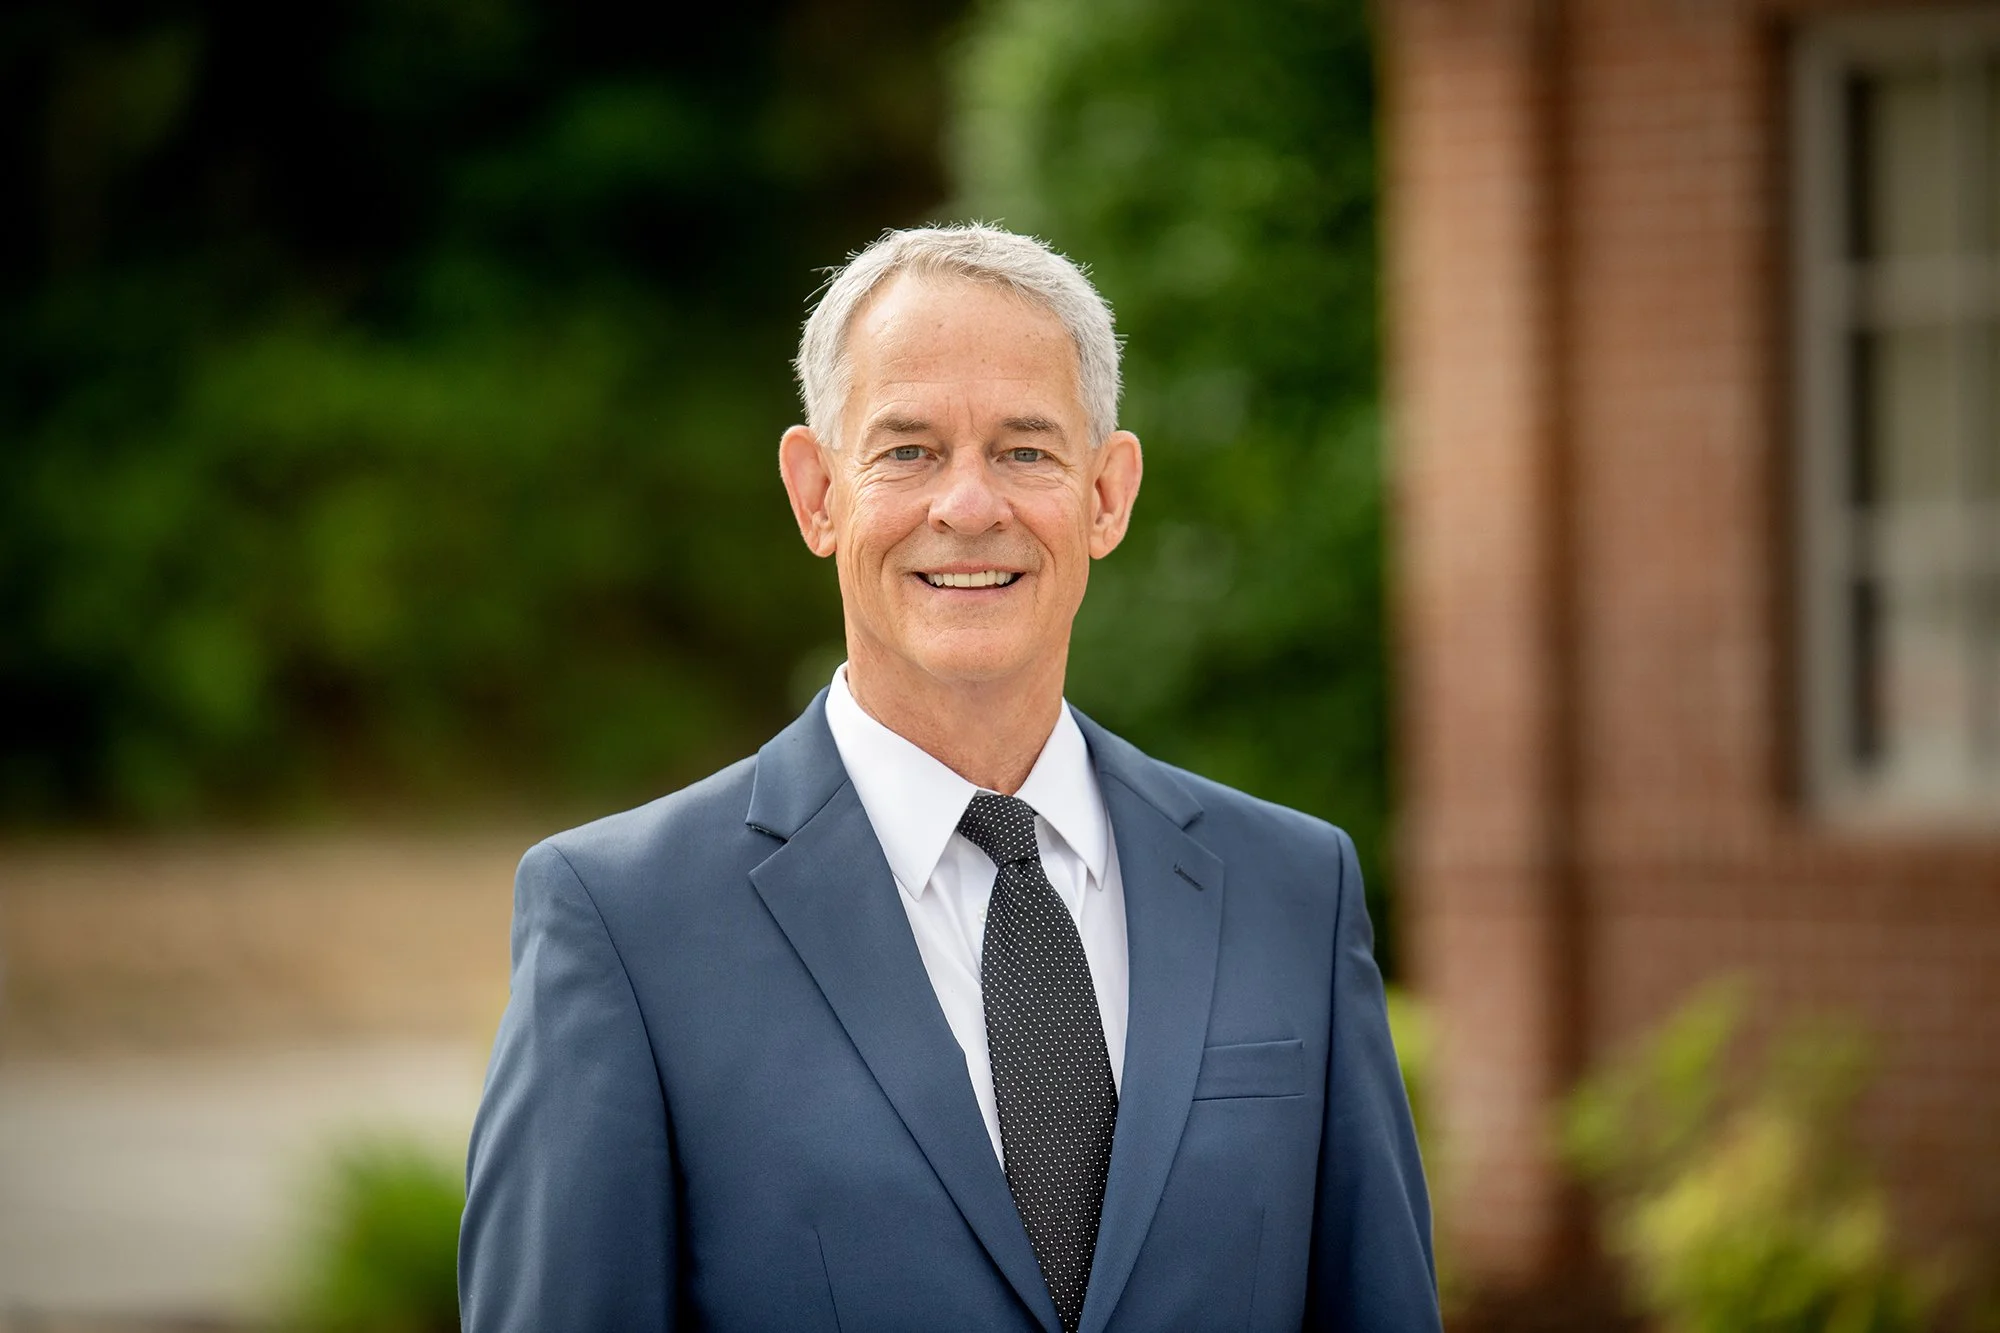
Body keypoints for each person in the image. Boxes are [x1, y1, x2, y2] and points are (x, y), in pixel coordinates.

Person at [458, 224, 1440, 1332]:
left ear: (1106, 495)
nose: (968, 506)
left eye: (1025, 451)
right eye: (908, 451)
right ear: (816, 492)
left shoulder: (1292, 892)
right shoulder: (625, 925)